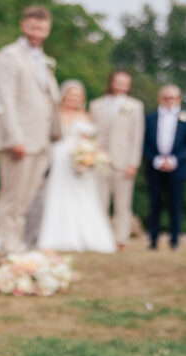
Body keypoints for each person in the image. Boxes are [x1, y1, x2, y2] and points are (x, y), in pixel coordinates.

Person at [0, 6, 62, 256]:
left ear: (48, 30)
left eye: (42, 28)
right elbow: (5, 100)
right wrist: (14, 138)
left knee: (25, 201)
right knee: (11, 198)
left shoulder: (43, 60)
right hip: (19, 141)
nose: (37, 32)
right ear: (23, 25)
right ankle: (8, 249)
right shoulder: (8, 57)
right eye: (32, 27)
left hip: (41, 142)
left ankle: (16, 245)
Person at [36, 81, 116, 253]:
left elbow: (90, 141)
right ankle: (55, 236)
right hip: (58, 158)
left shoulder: (85, 116)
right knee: (57, 195)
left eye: (77, 96)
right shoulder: (55, 114)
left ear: (82, 99)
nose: (73, 99)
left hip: (78, 161)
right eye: (70, 95)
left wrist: (87, 158)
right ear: (63, 96)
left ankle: (86, 236)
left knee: (83, 195)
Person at [90, 70, 145, 251]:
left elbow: (137, 137)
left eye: (125, 82)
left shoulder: (135, 106)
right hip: (100, 161)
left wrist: (133, 163)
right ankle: (101, 237)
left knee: (123, 204)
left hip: (123, 162)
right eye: (118, 81)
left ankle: (121, 239)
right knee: (99, 202)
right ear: (111, 82)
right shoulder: (96, 105)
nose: (122, 85)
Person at [143, 85, 186, 251]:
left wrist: (174, 160)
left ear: (179, 99)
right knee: (154, 204)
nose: (169, 101)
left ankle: (174, 240)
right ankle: (153, 240)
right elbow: (144, 142)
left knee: (175, 205)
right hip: (155, 167)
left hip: (177, 168)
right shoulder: (150, 118)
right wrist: (156, 160)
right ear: (160, 98)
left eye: (173, 98)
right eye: (166, 97)